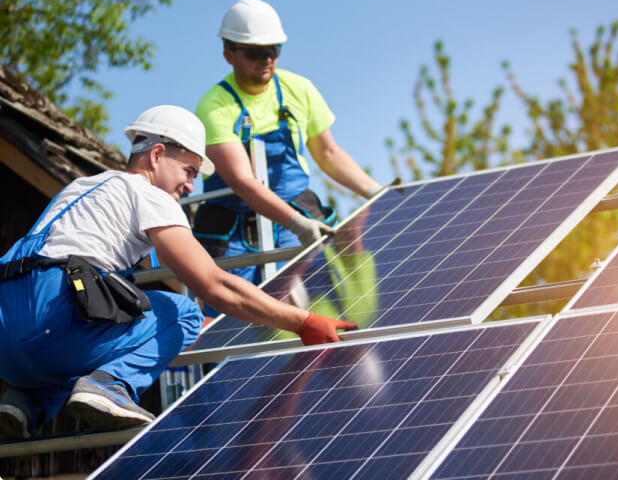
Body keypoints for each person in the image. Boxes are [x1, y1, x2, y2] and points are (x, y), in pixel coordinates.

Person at [0, 105, 356, 442]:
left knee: (85, 327)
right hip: (53, 322)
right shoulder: (148, 195)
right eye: (189, 170)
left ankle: (24, 403)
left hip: (9, 340)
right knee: (183, 312)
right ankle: (109, 386)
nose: (189, 187)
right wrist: (302, 321)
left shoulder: (80, 189)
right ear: (156, 155)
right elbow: (215, 286)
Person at [194, 0, 383, 288]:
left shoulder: (299, 89)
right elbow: (243, 182)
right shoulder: (214, 107)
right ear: (229, 54)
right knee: (232, 318)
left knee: (316, 300)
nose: (267, 59)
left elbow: (329, 153)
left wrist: (376, 192)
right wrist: (297, 223)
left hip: (295, 217)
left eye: (273, 50)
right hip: (233, 231)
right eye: (256, 52)